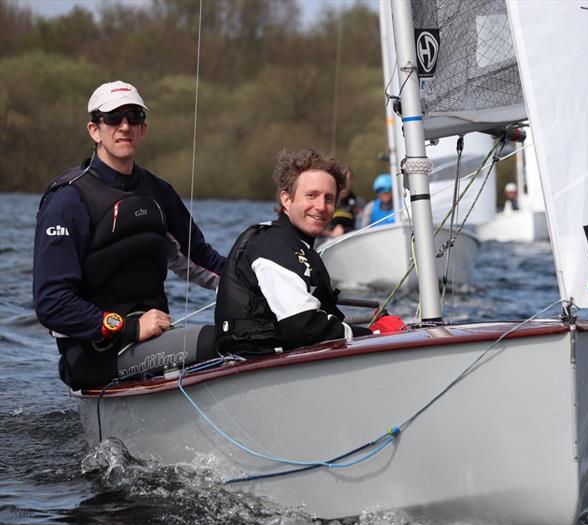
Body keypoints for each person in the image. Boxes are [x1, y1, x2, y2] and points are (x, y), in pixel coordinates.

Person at [33, 80, 226, 390]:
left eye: (134, 117)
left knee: (240, 338)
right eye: (113, 118)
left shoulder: (159, 192)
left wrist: (257, 282)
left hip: (152, 340)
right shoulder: (67, 200)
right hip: (92, 353)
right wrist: (129, 328)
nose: (124, 126)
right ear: (94, 130)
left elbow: (202, 259)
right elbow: (51, 304)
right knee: (213, 342)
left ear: (144, 129)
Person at [215, 149, 405, 356]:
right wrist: (374, 333)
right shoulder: (273, 244)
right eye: (311, 196)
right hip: (254, 364)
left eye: (329, 199)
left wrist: (374, 330)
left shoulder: (302, 249)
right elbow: (301, 326)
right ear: (286, 200)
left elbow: (327, 321)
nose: (321, 207)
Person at [320, 166, 363, 238]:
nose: (344, 182)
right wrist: (331, 233)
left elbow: (363, 227)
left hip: (352, 239)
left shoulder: (358, 202)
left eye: (347, 179)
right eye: (342, 178)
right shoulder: (324, 200)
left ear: (351, 181)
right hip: (326, 240)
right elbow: (314, 229)